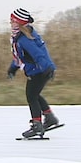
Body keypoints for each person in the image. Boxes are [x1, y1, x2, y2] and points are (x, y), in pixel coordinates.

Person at [7, 8, 59, 138]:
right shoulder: (25, 35)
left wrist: (46, 68)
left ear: (18, 23)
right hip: (43, 69)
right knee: (35, 94)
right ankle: (50, 117)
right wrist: (13, 68)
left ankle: (37, 125)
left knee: (31, 96)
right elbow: (22, 57)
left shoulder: (24, 39)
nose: (10, 23)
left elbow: (38, 54)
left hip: (40, 70)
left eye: (12, 21)